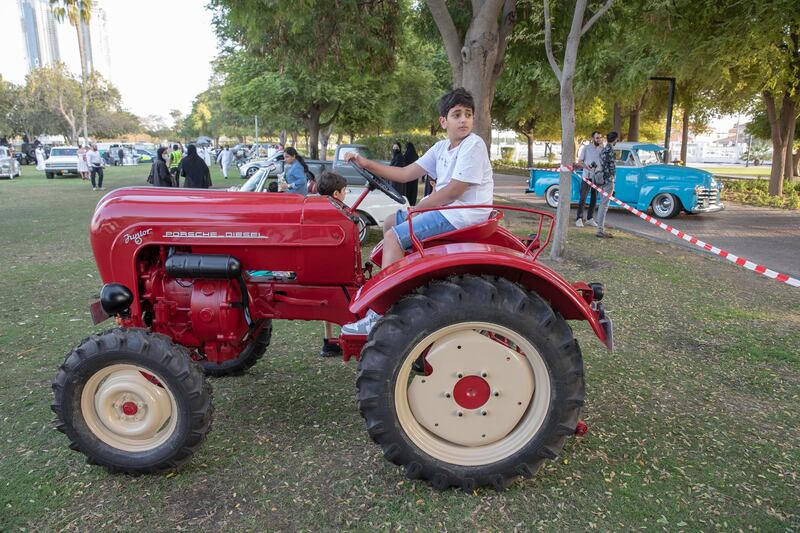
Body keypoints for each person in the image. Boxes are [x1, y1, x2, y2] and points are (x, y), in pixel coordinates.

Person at [341, 87, 493, 335]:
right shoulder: (442, 148)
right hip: (448, 210)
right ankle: (404, 285)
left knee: (393, 236)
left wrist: (420, 207)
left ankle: (381, 314)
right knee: (390, 222)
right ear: (444, 121)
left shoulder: (473, 145)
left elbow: (455, 190)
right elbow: (405, 173)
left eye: (467, 114)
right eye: (456, 114)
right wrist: (366, 163)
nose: (463, 119)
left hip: (463, 213)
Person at [315, 170, 350, 357]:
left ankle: (328, 341)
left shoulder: (315, 209)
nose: (346, 195)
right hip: (334, 269)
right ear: (336, 194)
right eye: (345, 191)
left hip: (318, 267)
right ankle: (348, 336)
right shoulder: (339, 213)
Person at [576, 131, 603, 227]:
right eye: (597, 138)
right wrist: (587, 167)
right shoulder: (586, 148)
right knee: (583, 198)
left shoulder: (602, 149)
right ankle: (579, 218)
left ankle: (590, 218)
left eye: (600, 138)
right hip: (587, 176)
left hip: (597, 178)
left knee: (594, 199)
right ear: (592, 138)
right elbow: (579, 162)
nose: (598, 139)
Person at [595, 131, 619, 239]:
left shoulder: (604, 150)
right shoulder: (611, 151)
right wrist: (613, 178)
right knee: (604, 205)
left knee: (602, 204)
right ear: (615, 140)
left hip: (601, 180)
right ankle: (600, 230)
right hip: (608, 180)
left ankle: (600, 228)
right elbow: (612, 168)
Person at [403, 141, 420, 206]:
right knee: (413, 190)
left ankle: (408, 202)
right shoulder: (416, 156)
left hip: (408, 176)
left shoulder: (405, 156)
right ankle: (413, 202)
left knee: (408, 190)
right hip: (414, 176)